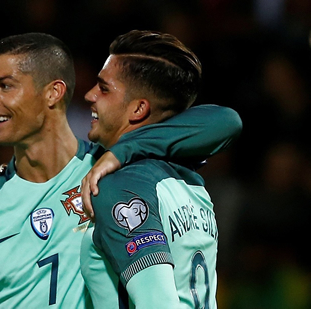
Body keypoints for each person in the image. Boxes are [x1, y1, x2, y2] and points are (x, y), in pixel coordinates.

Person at [0, 32, 241, 308]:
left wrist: (122, 152)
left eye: (4, 86)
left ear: (53, 92)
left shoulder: (113, 176)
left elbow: (224, 122)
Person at [79, 30, 242, 308]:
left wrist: (121, 153)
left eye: (104, 88)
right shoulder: (187, 179)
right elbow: (228, 120)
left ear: (139, 109)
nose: (89, 95)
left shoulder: (122, 186)